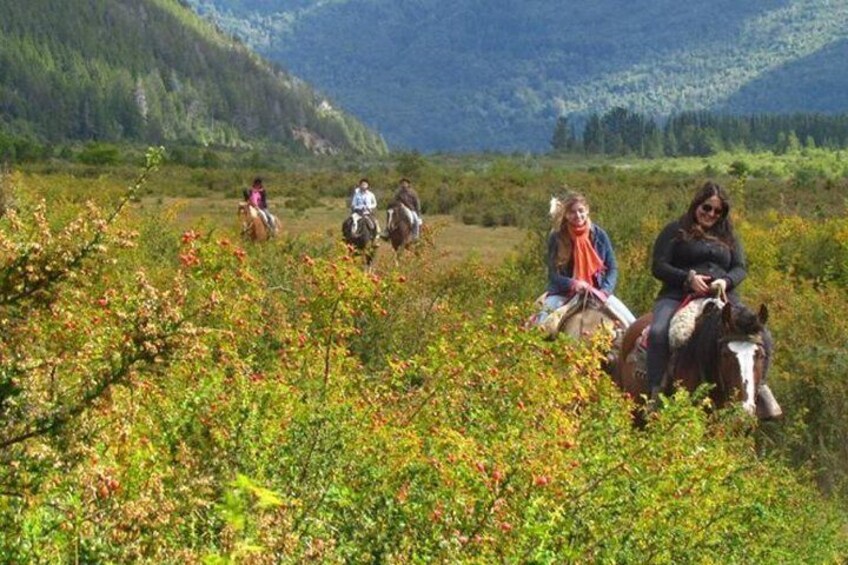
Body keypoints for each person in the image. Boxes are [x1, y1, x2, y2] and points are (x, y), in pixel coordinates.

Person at [646, 180, 781, 416]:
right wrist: (687, 279)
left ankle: (759, 389)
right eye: (706, 208)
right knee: (658, 332)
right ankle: (656, 393)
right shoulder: (675, 230)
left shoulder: (729, 236)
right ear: (697, 205)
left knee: (763, 335)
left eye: (717, 211)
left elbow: (740, 268)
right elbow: (658, 266)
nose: (711, 214)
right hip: (678, 295)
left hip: (723, 297)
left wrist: (725, 281)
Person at [534, 191, 635, 330]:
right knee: (541, 329)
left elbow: (612, 267)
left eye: (581, 211)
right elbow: (553, 274)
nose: (577, 215)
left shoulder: (599, 235)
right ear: (566, 215)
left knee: (632, 325)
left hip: (596, 291)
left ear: (587, 210)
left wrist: (605, 291)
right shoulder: (556, 237)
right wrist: (573, 283)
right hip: (563, 294)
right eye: (572, 212)